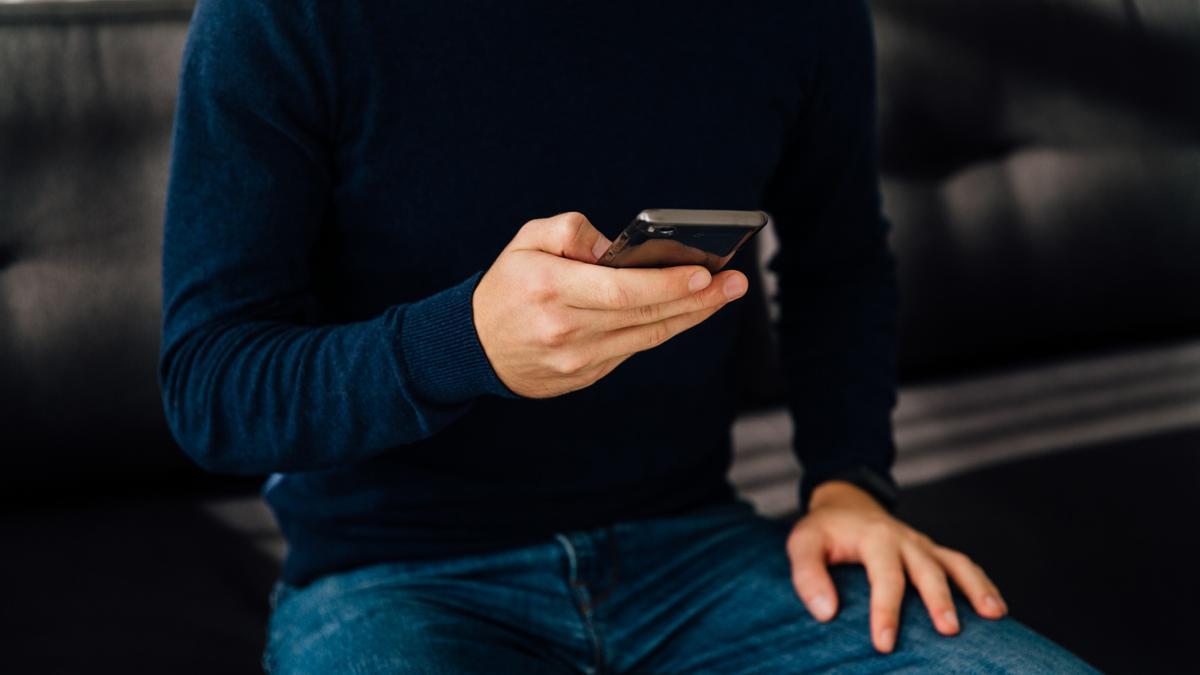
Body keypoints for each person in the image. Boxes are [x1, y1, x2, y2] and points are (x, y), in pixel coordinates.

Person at [160, 0, 1097, 672]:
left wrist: (849, 484)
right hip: (393, 576)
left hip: (698, 552)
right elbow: (212, 385)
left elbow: (839, 265)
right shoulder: (280, 19)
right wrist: (465, 343)